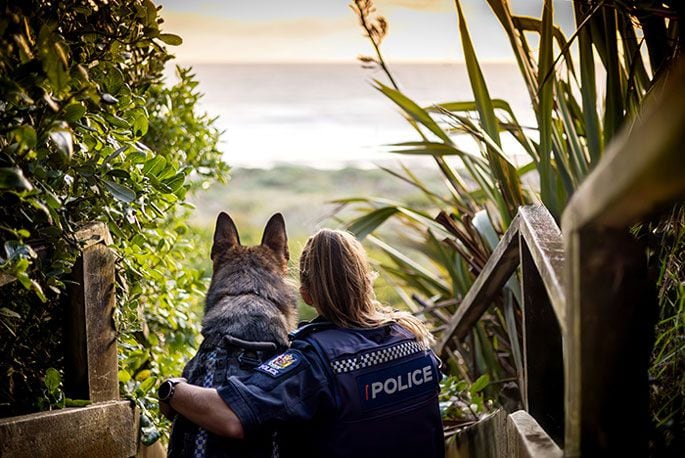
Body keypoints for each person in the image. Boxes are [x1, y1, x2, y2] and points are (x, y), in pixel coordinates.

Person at [159, 229, 445, 458]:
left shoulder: (314, 359)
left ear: (306, 295)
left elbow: (230, 416)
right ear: (367, 281)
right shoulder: (414, 339)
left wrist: (172, 389)